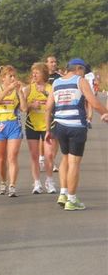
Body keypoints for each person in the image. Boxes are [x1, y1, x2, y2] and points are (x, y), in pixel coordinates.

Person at [46, 58, 108, 210]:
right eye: (83, 71)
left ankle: (63, 192)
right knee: (74, 163)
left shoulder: (56, 83)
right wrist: (105, 113)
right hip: (76, 126)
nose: (84, 74)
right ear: (78, 68)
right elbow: (93, 102)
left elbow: (48, 108)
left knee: (65, 158)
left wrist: (48, 129)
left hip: (59, 125)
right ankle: (72, 200)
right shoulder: (80, 81)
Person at [0, 65, 27, 197]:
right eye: (10, 76)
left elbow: (23, 108)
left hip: (14, 126)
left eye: (14, 76)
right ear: (3, 78)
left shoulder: (17, 90)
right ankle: (3, 182)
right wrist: (8, 89)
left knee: (12, 157)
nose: (13, 78)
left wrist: (20, 92)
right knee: (1, 159)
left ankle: (12, 185)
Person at [23, 62, 55, 194]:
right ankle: (36, 183)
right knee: (34, 155)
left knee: (49, 155)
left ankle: (49, 181)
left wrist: (46, 95)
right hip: (32, 125)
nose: (34, 74)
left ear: (44, 74)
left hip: (48, 125)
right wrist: (31, 105)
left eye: (37, 72)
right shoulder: (28, 88)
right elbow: (23, 108)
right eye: (33, 72)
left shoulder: (50, 87)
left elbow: (56, 104)